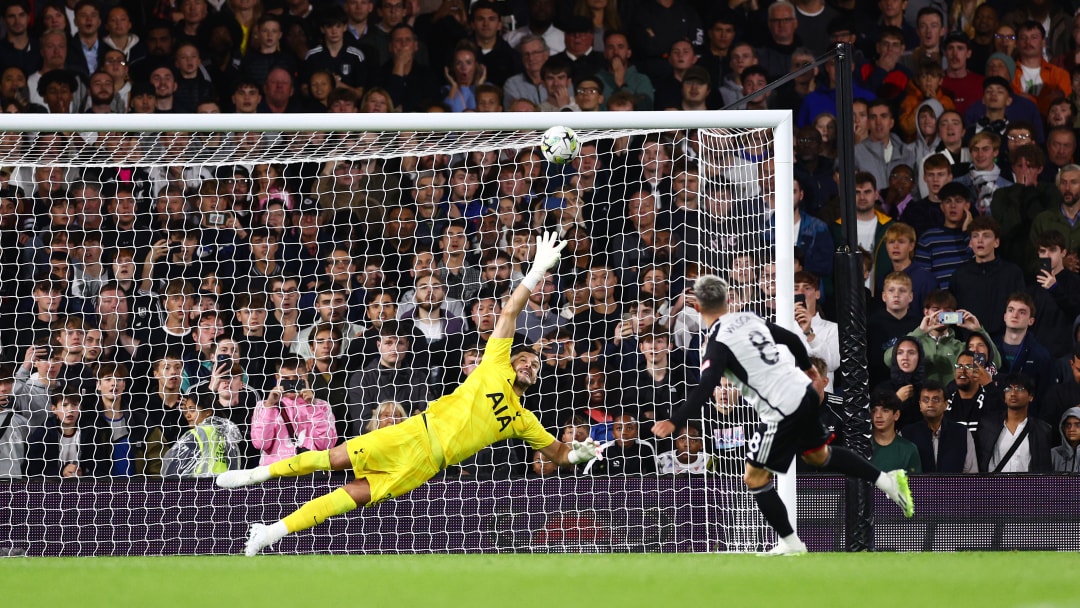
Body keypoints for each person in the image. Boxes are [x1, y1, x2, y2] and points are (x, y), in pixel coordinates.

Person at [216, 233, 600, 556]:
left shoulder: (524, 420)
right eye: (524, 358)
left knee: (353, 494)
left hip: (426, 465)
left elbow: (560, 455)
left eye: (535, 364)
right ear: (511, 360)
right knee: (332, 458)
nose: (529, 364)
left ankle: (269, 533)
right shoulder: (495, 366)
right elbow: (510, 312)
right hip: (413, 431)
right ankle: (256, 473)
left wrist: (578, 453)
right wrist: (535, 270)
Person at [652, 274, 913, 556]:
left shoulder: (716, 343)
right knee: (818, 455)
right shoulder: (748, 318)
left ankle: (791, 544)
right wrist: (807, 368)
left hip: (781, 409)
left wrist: (675, 421)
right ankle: (888, 480)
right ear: (728, 300)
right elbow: (789, 337)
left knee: (754, 479)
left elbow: (706, 387)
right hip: (803, 392)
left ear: (698, 308)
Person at [250, 357, 337, 466]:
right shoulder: (263, 406)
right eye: (286, 379)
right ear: (277, 378)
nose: (291, 383)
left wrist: (312, 406)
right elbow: (261, 444)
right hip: (274, 475)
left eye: (296, 378)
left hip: (312, 473)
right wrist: (269, 406)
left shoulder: (322, 406)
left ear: (306, 377)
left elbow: (326, 445)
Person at [976, 373, 1053, 472]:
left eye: (1019, 389)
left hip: (1026, 486)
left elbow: (1043, 467)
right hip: (995, 486)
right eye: (1008, 389)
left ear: (1031, 396)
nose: (1013, 393)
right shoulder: (988, 426)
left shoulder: (1042, 431)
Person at [162, 386, 244, 477]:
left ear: (208, 412)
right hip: (223, 487)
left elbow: (172, 473)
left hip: (199, 488)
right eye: (186, 410)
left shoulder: (196, 435)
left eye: (192, 409)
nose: (187, 415)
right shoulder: (226, 435)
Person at [900, 380, 979, 473]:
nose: (930, 404)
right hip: (916, 487)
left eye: (936, 399)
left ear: (946, 404)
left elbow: (971, 474)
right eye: (926, 400)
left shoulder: (962, 433)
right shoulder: (906, 434)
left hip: (953, 487)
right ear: (920, 405)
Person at [869, 391, 922, 474]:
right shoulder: (861, 446)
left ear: (896, 415)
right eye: (874, 411)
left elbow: (915, 485)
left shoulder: (909, 449)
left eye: (885, 410)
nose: (878, 415)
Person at [1051, 407, 1080, 472]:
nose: (1071, 429)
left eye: (1078, 425)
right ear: (1062, 428)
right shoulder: (1053, 454)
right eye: (1068, 425)